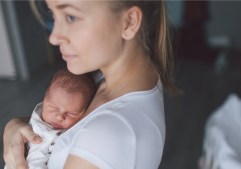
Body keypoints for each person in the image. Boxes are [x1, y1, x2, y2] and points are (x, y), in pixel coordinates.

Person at [3, 1, 177, 169]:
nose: (54, 37)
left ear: (129, 22)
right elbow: (67, 133)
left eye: (71, 17)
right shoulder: (112, 79)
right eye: (53, 15)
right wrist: (14, 125)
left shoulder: (106, 135)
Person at [4, 69, 97, 169]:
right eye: (54, 108)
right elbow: (33, 162)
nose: (60, 117)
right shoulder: (41, 131)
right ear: (44, 100)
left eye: (71, 113)